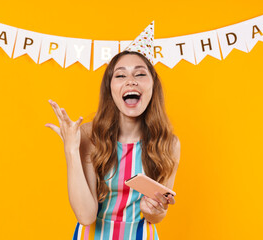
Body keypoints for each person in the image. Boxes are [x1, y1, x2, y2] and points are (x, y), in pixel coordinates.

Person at [45, 50, 181, 240]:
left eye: (140, 74)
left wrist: (153, 209)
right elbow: (85, 215)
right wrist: (71, 149)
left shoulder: (169, 144)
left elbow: (157, 216)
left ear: (153, 86)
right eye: (121, 75)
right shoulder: (88, 135)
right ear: (110, 88)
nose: (131, 80)